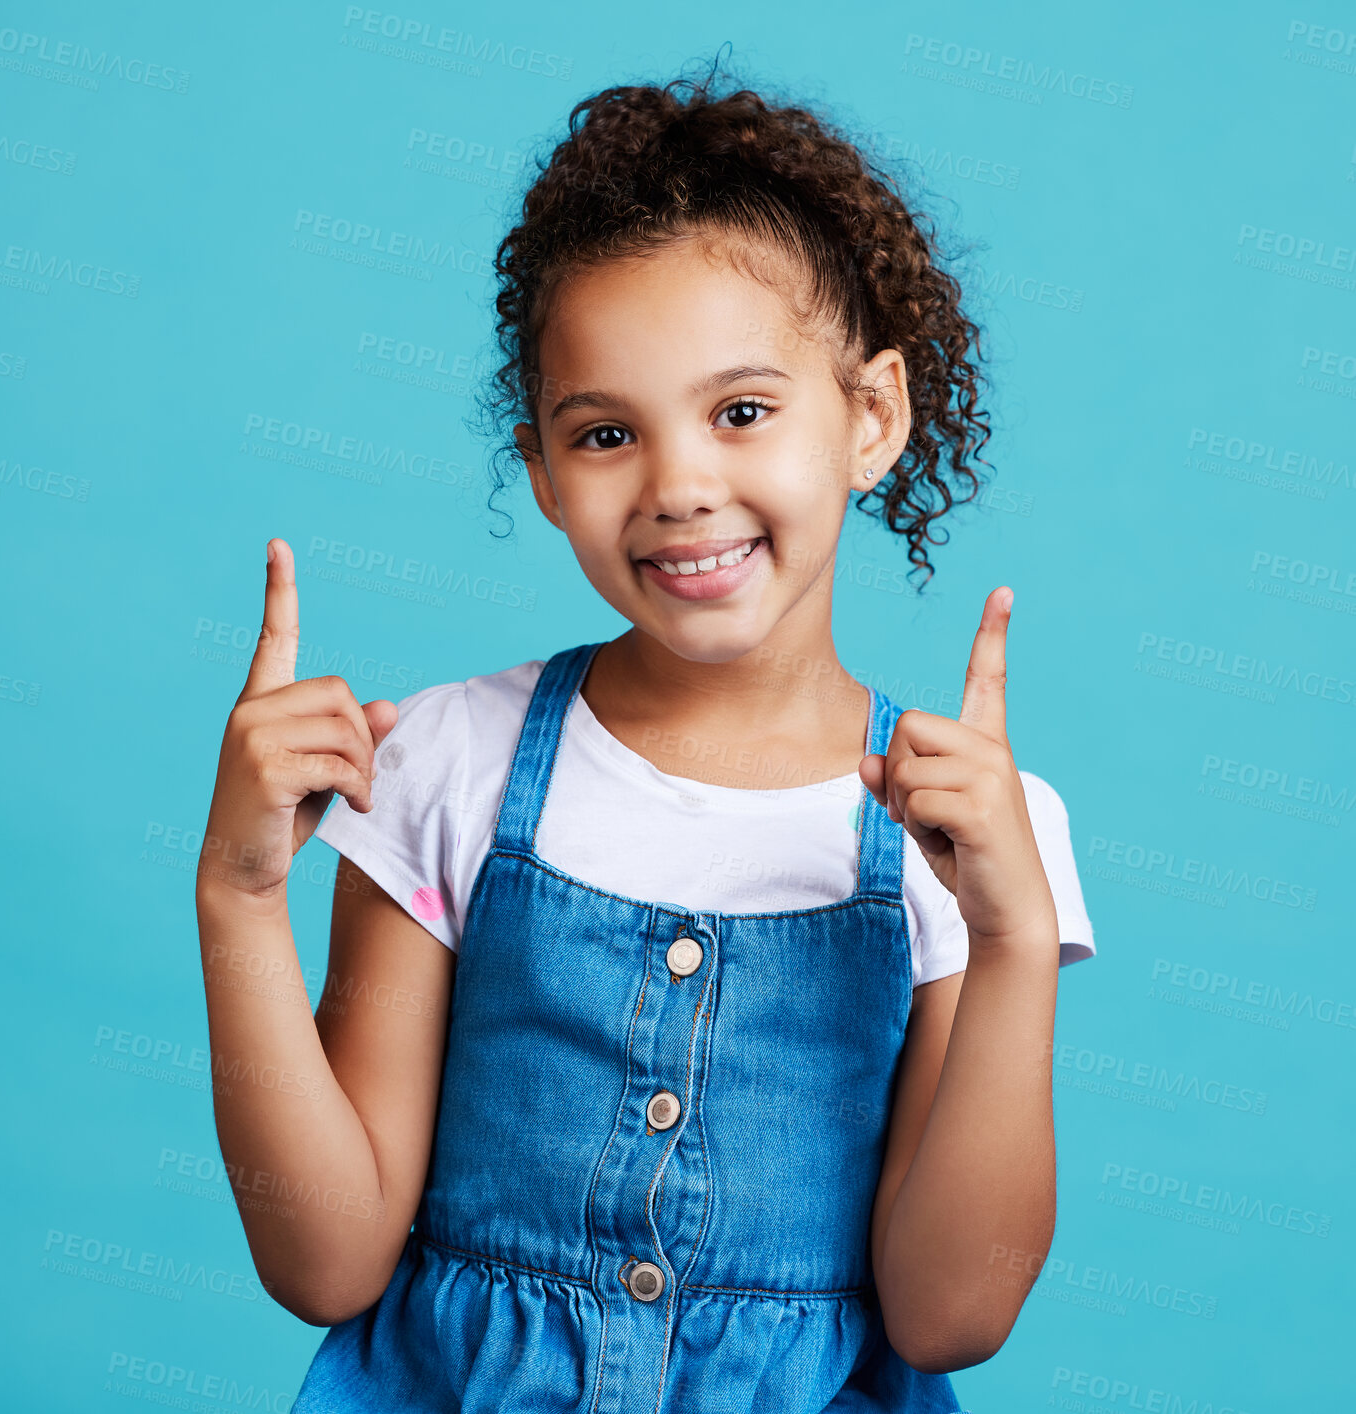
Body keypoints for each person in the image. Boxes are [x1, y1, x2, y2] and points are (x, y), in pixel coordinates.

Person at [196, 61, 1096, 1414]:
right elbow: (324, 1261)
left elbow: (950, 1312)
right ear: (546, 473)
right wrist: (240, 895)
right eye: (607, 431)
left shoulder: (972, 834)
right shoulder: (444, 765)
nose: (679, 484)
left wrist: (1015, 936)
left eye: (741, 411)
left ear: (870, 418)